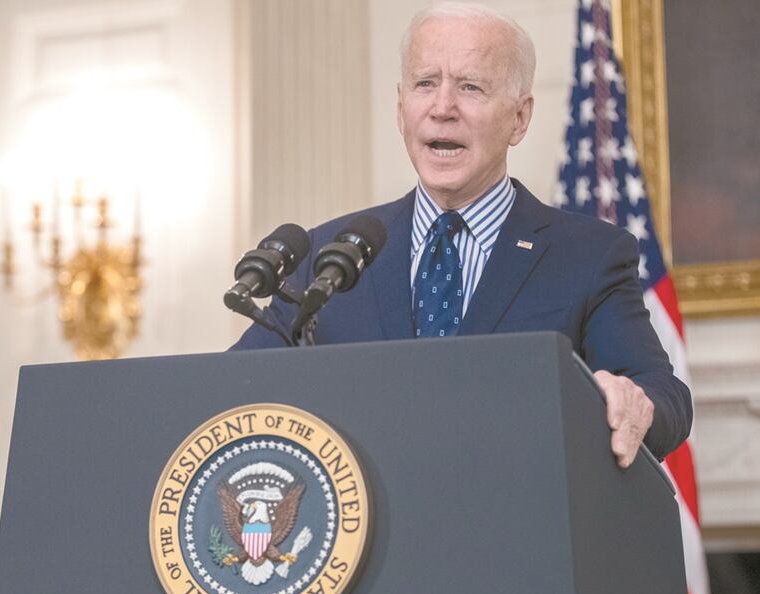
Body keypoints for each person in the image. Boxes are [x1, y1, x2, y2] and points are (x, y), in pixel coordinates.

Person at [231, 2, 692, 467]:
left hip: (516, 528)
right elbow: (226, 387)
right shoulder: (329, 258)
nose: (442, 108)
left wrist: (633, 401)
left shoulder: (589, 255)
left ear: (519, 118)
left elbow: (664, 393)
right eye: (425, 83)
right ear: (400, 108)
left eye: (471, 87)